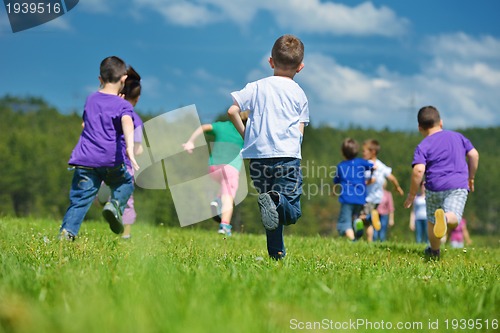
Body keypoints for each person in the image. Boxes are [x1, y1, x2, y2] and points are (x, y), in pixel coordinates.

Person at [228, 34, 309, 260]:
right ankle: (276, 201)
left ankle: (276, 255)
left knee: (270, 212)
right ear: (300, 67)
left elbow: (232, 111)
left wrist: (246, 136)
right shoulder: (299, 93)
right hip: (287, 157)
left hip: (258, 158)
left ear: (271, 61)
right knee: (290, 212)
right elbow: (300, 130)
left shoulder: (255, 87)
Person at [59, 56, 139, 241]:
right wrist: (130, 146)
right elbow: (127, 121)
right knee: (125, 183)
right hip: (110, 160)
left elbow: (85, 123)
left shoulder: (91, 99)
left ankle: (67, 233)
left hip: (85, 160)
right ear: (124, 79)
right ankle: (115, 205)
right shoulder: (123, 105)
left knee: (79, 200)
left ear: (100, 79)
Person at [404, 105, 479, 259]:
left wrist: (412, 194)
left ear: (420, 128)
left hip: (433, 188)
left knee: (432, 220)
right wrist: (471, 178)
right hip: (457, 185)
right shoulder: (458, 137)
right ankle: (445, 218)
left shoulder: (423, 145)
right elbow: (474, 155)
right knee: (454, 216)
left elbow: (418, 170)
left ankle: (434, 251)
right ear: (441, 123)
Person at [182, 112, 248, 236]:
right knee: (228, 197)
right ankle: (225, 225)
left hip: (213, 167)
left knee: (224, 190)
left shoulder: (223, 126)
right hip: (231, 168)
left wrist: (190, 142)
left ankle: (217, 201)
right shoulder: (246, 131)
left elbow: (203, 127)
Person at [361, 139, 404, 242]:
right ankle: (372, 218)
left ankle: (370, 237)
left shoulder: (367, 165)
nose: (362, 153)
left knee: (362, 219)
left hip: (368, 198)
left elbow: (370, 180)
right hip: (377, 198)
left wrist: (360, 184)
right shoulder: (381, 165)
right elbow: (391, 177)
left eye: (364, 151)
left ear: (373, 152)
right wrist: (397, 187)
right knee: (364, 219)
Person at [333, 138, 373, 241]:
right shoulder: (361, 162)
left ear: (342, 152)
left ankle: (353, 240)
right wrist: (370, 176)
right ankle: (358, 222)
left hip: (347, 198)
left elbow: (336, 182)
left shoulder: (341, 166)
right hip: (360, 197)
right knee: (355, 217)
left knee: (344, 222)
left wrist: (333, 192)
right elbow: (373, 166)